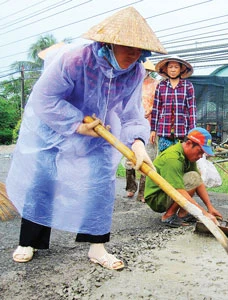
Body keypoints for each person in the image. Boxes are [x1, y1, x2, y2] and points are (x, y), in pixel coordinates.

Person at [6, 6, 167, 270]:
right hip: (55, 127)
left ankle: (97, 247)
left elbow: (131, 112)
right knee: (44, 178)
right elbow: (45, 99)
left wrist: (138, 144)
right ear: (108, 43)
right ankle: (29, 241)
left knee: (101, 182)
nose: (133, 53)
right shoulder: (75, 60)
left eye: (139, 49)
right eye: (127, 46)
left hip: (101, 130)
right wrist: (75, 124)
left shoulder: (136, 72)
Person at [144, 127, 222, 227]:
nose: (200, 156)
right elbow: (178, 191)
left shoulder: (188, 156)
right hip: (157, 198)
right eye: (199, 151)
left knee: (195, 177)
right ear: (189, 143)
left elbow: (198, 182)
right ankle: (168, 215)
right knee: (191, 178)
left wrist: (210, 207)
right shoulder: (172, 158)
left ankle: (183, 214)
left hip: (168, 192)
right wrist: (203, 214)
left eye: (202, 153)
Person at [125, 59, 159, 201]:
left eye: (145, 70)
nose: (143, 72)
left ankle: (143, 192)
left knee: (147, 157)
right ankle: (130, 187)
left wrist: (148, 112)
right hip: (132, 125)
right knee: (129, 157)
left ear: (149, 71)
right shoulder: (130, 83)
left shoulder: (156, 85)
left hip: (149, 125)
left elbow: (158, 105)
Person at [150, 57, 196, 153]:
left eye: (176, 67)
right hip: (164, 130)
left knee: (181, 158)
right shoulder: (161, 86)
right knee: (165, 158)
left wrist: (193, 130)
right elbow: (156, 109)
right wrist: (153, 130)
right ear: (166, 69)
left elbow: (192, 110)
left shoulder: (188, 86)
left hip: (182, 131)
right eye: (170, 67)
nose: (173, 70)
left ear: (181, 69)